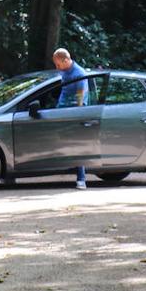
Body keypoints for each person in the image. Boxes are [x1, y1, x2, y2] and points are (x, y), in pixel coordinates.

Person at [52, 47, 90, 189]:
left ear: (66, 60)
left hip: (73, 110)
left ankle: (81, 178)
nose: (57, 67)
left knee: (76, 142)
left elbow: (80, 95)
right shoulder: (65, 71)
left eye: (58, 64)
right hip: (63, 108)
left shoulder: (79, 73)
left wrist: (77, 114)